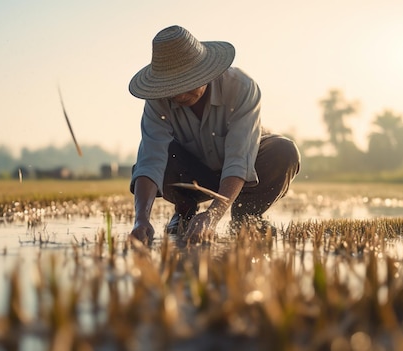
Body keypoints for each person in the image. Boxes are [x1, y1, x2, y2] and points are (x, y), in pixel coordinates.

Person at [128, 25, 300, 245]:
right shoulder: (157, 101)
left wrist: (213, 215)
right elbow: (150, 160)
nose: (180, 94)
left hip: (244, 173)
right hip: (191, 173)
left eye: (187, 83)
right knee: (161, 157)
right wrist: (140, 220)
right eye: (172, 87)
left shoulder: (241, 87)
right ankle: (184, 211)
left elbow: (239, 159)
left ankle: (246, 215)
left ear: (206, 73)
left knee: (284, 151)